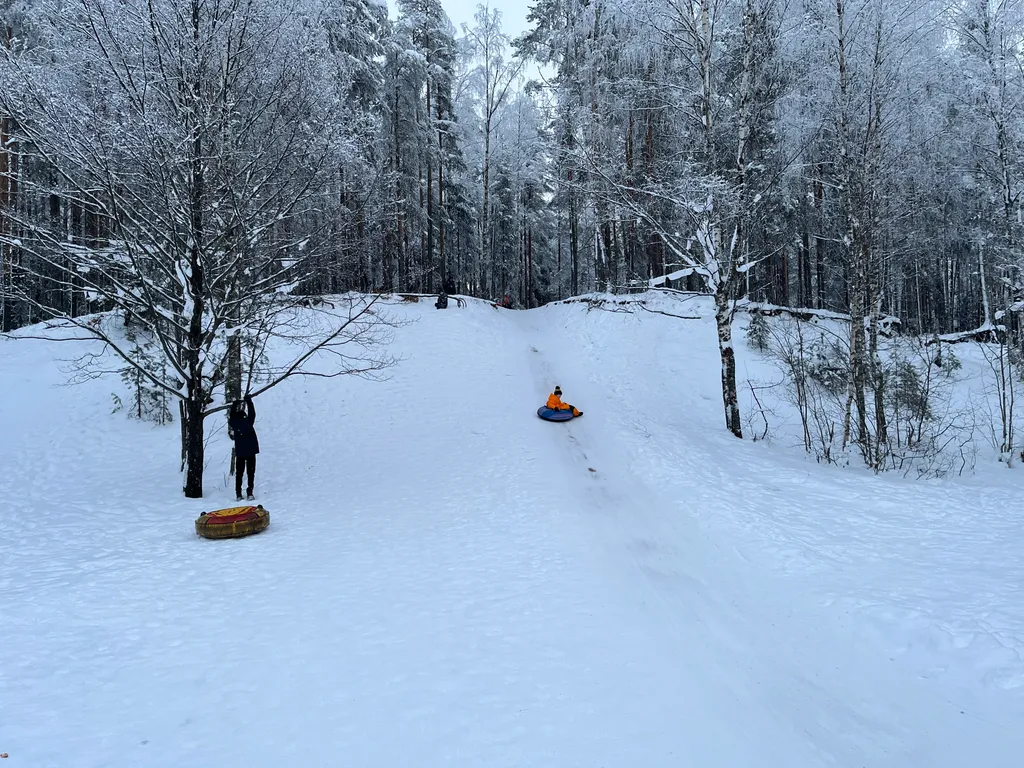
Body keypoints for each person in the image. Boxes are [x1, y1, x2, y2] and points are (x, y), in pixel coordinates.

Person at [228, 394, 260, 500]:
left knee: (239, 473)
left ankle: (238, 493)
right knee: (251, 473)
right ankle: (249, 492)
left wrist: (234, 405)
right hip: (251, 451)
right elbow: (252, 414)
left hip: (240, 452)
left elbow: (232, 416)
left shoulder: (235, 424)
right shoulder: (248, 423)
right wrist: (249, 402)